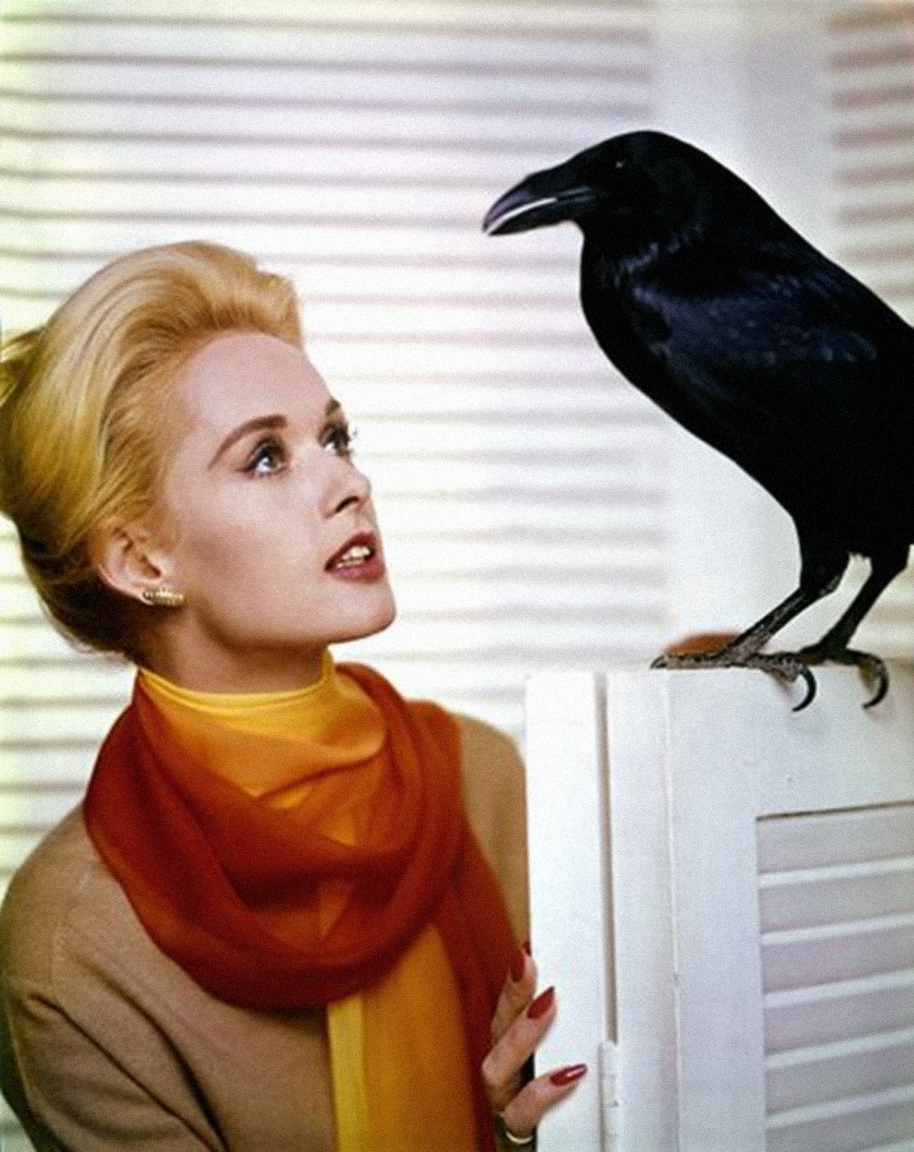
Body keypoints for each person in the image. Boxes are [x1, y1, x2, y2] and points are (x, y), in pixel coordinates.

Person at [0, 241, 586, 1151]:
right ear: (142, 560)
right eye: (267, 457)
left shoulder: (483, 777)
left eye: (336, 438)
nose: (350, 484)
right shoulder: (70, 950)